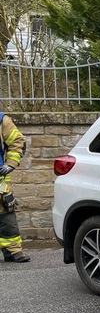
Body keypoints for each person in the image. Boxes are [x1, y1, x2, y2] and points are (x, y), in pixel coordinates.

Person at [0, 111, 28, 262]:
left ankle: (12, 251)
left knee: (6, 215)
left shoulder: (1, 120)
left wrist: (10, 163)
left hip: (0, 179)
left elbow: (17, 140)